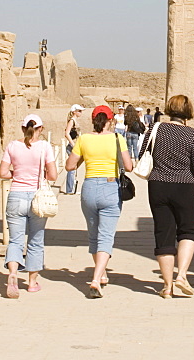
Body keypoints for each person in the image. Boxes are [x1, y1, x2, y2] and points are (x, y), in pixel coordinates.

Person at [138, 94, 194, 298]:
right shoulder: (192, 135)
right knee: (188, 232)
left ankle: (167, 286)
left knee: (163, 234)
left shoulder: (155, 129)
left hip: (158, 185)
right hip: (184, 186)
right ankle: (181, 275)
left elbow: (142, 154)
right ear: (188, 112)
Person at [66, 105, 133, 297]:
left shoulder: (84, 139)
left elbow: (70, 166)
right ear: (111, 120)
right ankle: (96, 279)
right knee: (106, 236)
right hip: (110, 188)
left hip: (89, 188)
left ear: (93, 120)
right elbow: (128, 166)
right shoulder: (116, 138)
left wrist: (84, 158)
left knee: (94, 234)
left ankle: (101, 273)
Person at [0, 113, 58, 297]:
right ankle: (32, 282)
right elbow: (53, 175)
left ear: (23, 128)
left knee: (15, 241)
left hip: (16, 195)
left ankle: (13, 273)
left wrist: (16, 175)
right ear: (40, 129)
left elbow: (2, 172)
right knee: (35, 241)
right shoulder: (44, 147)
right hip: (36, 197)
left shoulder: (12, 146)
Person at [64, 104, 84, 195]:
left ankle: (71, 188)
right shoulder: (72, 121)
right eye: (79, 111)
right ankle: (69, 189)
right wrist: (73, 144)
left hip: (76, 145)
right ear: (74, 111)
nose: (81, 113)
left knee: (74, 168)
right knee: (71, 168)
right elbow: (67, 133)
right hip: (72, 146)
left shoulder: (75, 120)